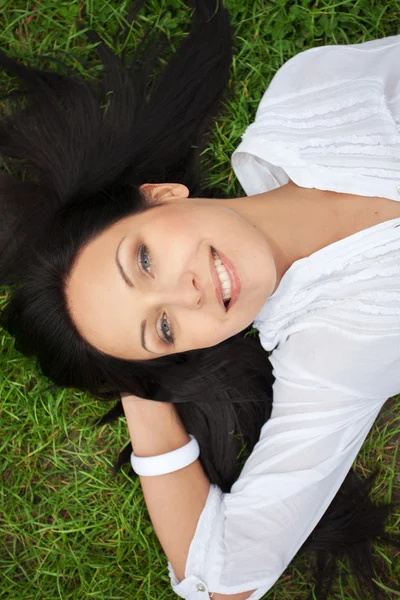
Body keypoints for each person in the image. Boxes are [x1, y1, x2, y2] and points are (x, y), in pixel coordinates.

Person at [0, 1, 399, 599]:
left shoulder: (308, 101)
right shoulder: (327, 360)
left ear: (160, 196)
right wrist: (137, 385)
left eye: (143, 260)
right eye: (162, 328)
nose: (186, 296)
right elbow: (222, 579)